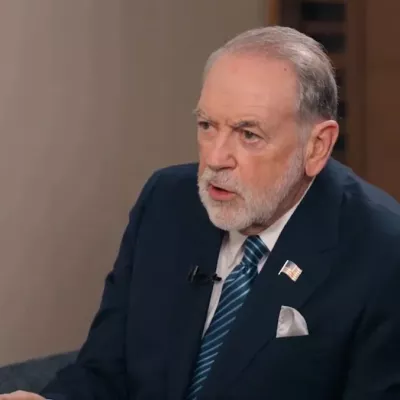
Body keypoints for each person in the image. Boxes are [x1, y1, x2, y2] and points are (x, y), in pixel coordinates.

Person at [1, 25, 400, 400]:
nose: (216, 158)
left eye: (248, 134)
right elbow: (105, 371)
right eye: (207, 125)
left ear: (317, 146)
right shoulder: (167, 202)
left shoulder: (382, 252)